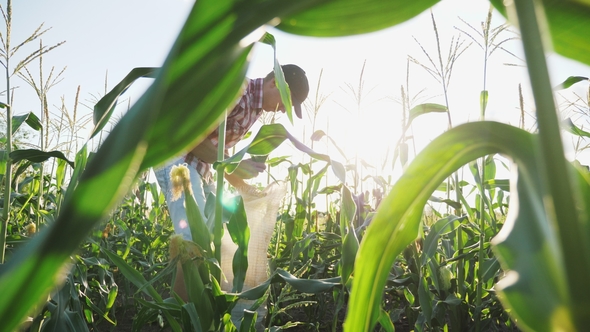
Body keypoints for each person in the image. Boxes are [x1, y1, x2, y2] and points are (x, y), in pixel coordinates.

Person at [154, 64, 309, 299]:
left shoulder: (253, 109)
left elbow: (218, 157)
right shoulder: (237, 91)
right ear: (274, 82)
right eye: (284, 101)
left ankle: (195, 313)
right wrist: (235, 165)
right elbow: (189, 134)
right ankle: (179, 317)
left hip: (200, 167)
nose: (280, 111)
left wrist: (246, 188)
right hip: (178, 162)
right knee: (192, 243)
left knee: (211, 242)